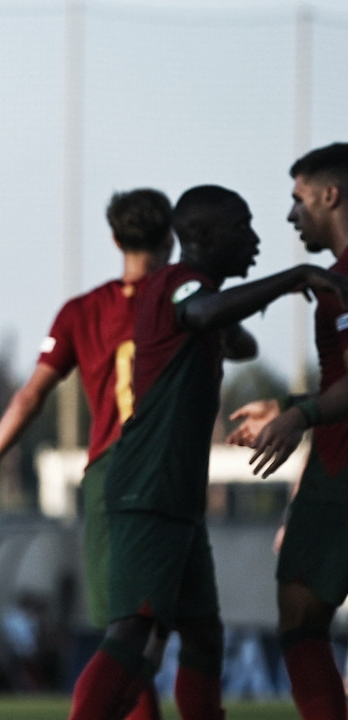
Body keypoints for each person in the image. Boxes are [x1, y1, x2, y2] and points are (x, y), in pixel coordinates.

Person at [67, 185, 348, 720]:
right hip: (147, 488)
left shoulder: (189, 291)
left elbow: (228, 332)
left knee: (202, 634)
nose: (256, 237)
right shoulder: (177, 283)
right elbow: (199, 311)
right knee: (133, 632)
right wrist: (296, 277)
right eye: (241, 226)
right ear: (198, 235)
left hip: (178, 497)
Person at [0, 188, 174, 719]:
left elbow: (30, 395)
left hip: (108, 476)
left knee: (129, 630)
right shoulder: (181, 299)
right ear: (171, 237)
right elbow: (239, 345)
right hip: (165, 474)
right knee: (163, 632)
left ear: (115, 238)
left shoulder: (83, 310)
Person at [225, 142, 348, 719]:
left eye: (298, 199)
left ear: (331, 195)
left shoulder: (340, 283)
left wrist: (301, 415)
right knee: (300, 621)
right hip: (332, 469)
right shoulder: (333, 284)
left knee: (300, 623)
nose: (290, 215)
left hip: (340, 473)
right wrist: (291, 404)